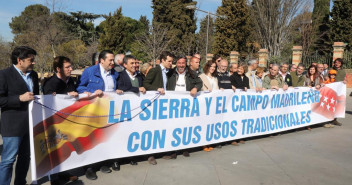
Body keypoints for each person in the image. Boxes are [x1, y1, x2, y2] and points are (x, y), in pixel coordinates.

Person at [77, 50, 119, 180]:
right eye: (110, 60)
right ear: (102, 60)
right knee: (91, 139)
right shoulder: (90, 72)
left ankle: (102, 163)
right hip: (92, 111)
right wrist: (93, 91)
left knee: (104, 138)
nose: (113, 63)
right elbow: (79, 87)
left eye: (113, 60)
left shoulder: (115, 73)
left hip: (109, 111)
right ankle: (89, 167)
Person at [0, 46, 39, 185]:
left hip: (29, 125)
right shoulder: (4, 75)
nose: (34, 63)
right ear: (19, 60)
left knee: (25, 157)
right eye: (31, 60)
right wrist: (18, 98)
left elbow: (36, 96)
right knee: (8, 160)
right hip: (12, 126)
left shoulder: (34, 75)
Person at [42, 56, 78, 184]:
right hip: (53, 122)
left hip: (67, 121)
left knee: (64, 149)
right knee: (54, 150)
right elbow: (48, 100)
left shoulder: (70, 81)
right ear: (58, 69)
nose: (71, 69)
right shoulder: (50, 83)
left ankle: (64, 173)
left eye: (70, 66)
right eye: (67, 67)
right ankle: (54, 179)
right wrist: (67, 96)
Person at [166, 56, 202, 157]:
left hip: (186, 105)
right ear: (176, 63)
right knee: (173, 127)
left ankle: (184, 148)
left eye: (183, 63)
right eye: (179, 63)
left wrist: (195, 88)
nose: (181, 65)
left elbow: (200, 83)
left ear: (186, 63)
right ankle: (172, 150)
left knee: (185, 126)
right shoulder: (170, 73)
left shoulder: (191, 74)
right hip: (172, 105)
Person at [143, 51, 175, 164]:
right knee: (153, 128)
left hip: (165, 105)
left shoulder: (169, 72)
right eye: (169, 61)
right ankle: (150, 155)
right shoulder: (154, 70)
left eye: (172, 61)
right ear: (162, 60)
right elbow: (145, 84)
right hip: (155, 104)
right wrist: (157, 88)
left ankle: (163, 151)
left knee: (163, 128)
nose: (171, 63)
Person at [199, 60, 219, 151]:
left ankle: (209, 141)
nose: (213, 68)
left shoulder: (215, 78)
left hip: (213, 103)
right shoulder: (201, 76)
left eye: (214, 67)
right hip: (205, 103)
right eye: (211, 66)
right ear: (207, 66)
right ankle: (203, 143)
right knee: (204, 123)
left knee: (211, 123)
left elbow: (217, 89)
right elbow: (200, 89)